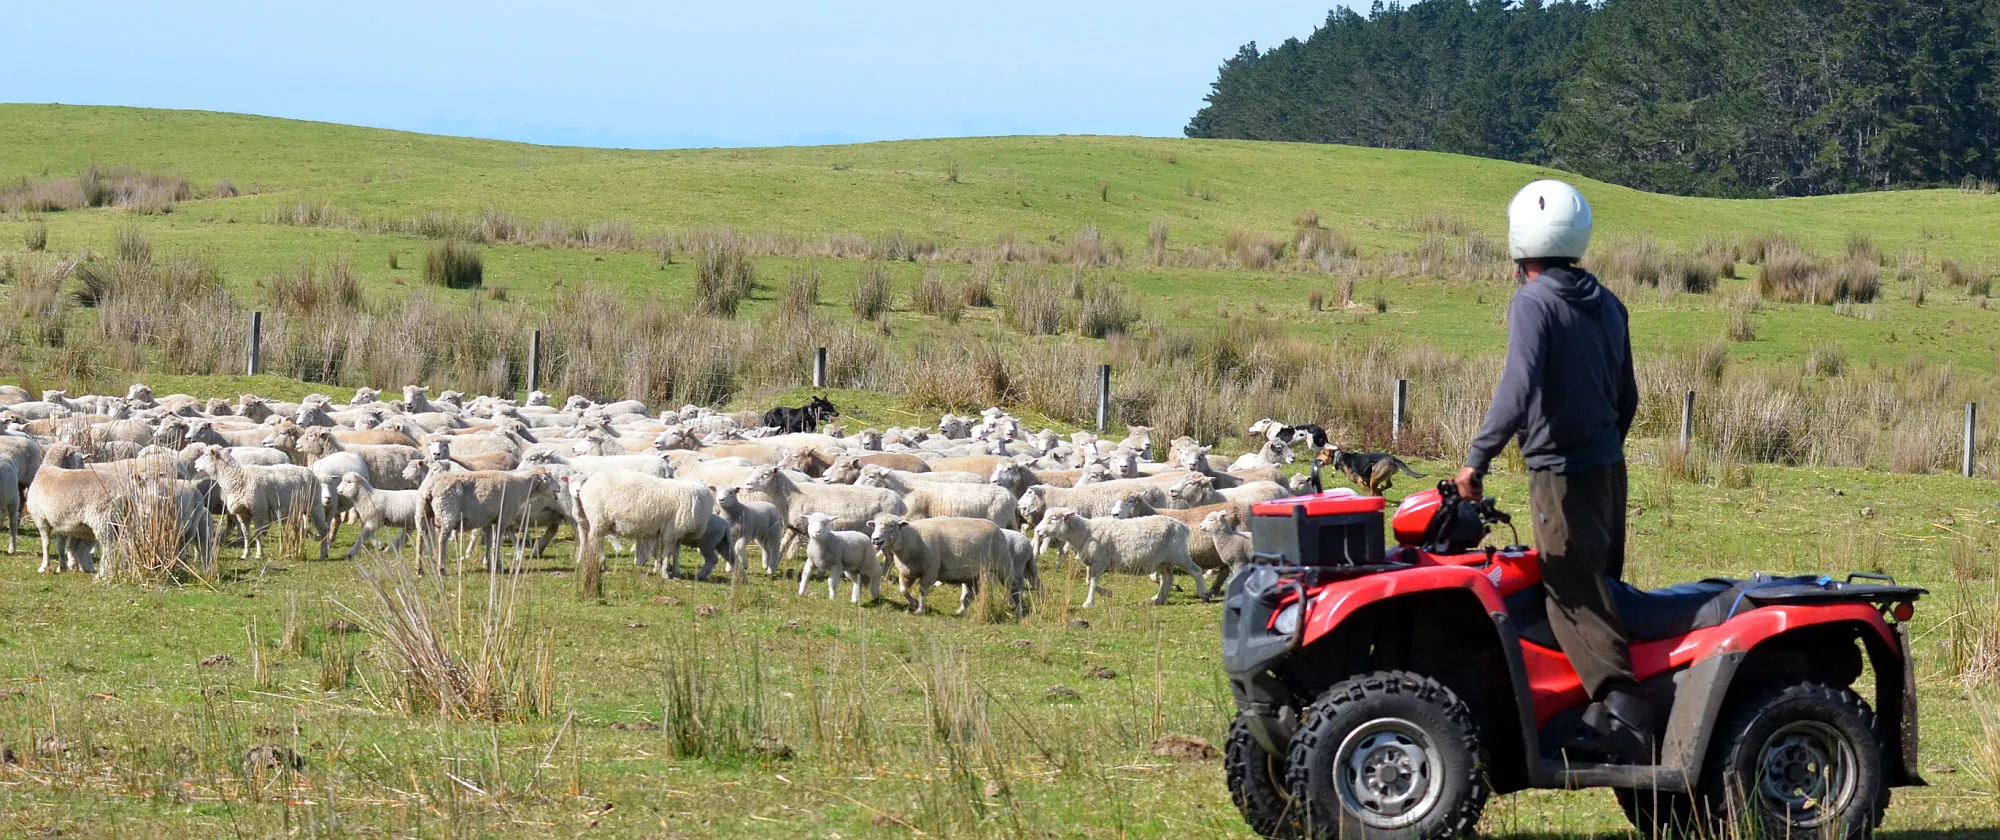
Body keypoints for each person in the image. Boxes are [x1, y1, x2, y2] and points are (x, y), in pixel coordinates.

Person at [1453, 180, 1650, 762]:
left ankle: (1624, 710)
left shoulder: (1533, 303)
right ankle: (1594, 704)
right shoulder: (1609, 303)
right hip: (1608, 469)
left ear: (1520, 243)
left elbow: (1518, 386)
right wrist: (1605, 448)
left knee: (1571, 592)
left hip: (1561, 473)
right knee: (1601, 584)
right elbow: (1628, 397)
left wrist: (1477, 458)